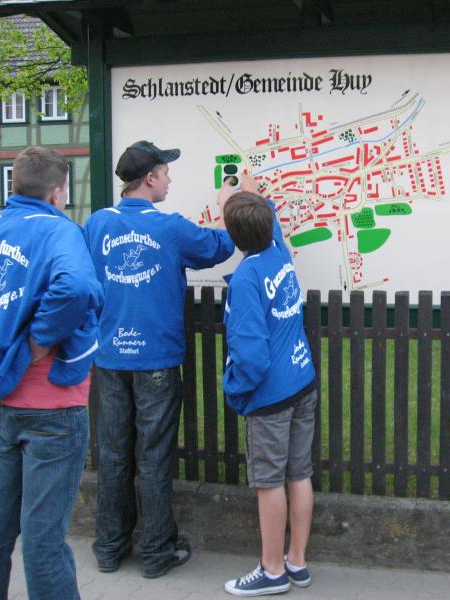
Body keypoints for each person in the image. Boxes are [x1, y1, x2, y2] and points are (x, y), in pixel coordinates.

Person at [83, 140, 235, 578]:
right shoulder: (169, 227)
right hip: (156, 360)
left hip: (110, 358)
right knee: (152, 457)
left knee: (114, 455)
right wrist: (228, 203)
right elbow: (220, 246)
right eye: (165, 172)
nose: (169, 178)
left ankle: (109, 548)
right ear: (149, 178)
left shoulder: (98, 224)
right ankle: (155, 551)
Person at [0, 146, 102, 599]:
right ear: (57, 192)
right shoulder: (58, 230)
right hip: (53, 409)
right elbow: (77, 286)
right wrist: (36, 342)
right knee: (43, 539)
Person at [217, 176, 317, 597]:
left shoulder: (246, 278)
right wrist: (251, 196)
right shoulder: (278, 253)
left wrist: (236, 391)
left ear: (233, 235)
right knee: (300, 473)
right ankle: (297, 561)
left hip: (270, 396)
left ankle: (272, 571)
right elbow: (270, 219)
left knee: (269, 481)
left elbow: (251, 356)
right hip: (302, 381)